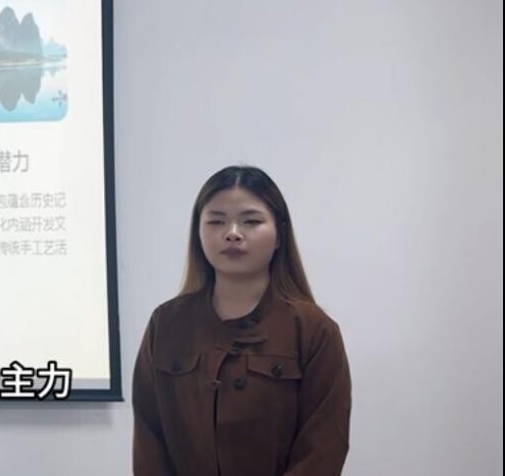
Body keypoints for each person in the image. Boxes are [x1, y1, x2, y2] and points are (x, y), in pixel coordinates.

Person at [133, 165, 351, 475]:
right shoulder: (166, 324)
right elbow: (149, 440)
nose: (232, 233)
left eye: (251, 221)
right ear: (198, 233)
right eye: (216, 221)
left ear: (279, 235)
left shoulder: (314, 330)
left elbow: (323, 447)